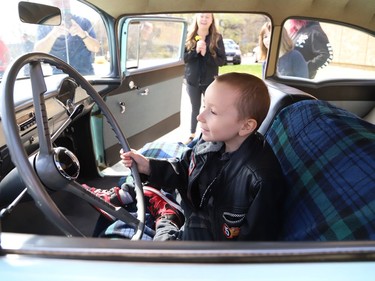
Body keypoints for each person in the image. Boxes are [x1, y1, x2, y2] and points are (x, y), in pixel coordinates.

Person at [119, 72, 286, 241]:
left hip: (215, 243)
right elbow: (185, 168)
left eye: (212, 111)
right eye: (204, 106)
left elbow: (256, 242)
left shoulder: (260, 179)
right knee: (141, 185)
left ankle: (166, 219)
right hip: (194, 212)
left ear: (246, 126)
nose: (200, 117)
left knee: (161, 250)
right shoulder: (212, 141)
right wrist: (148, 166)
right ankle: (163, 208)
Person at [183, 13, 226, 144]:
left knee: (211, 109)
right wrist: (195, 52)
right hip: (192, 81)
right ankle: (192, 134)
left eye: (207, 17)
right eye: (201, 16)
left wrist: (206, 53)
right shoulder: (188, 36)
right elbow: (183, 58)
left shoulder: (216, 38)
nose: (204, 19)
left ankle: (211, 135)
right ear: (196, 18)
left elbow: (221, 61)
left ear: (212, 20)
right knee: (195, 108)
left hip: (210, 82)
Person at [34, 6, 100, 75]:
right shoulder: (44, 25)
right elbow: (37, 53)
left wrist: (82, 33)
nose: (60, 2)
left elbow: (96, 48)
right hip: (59, 79)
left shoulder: (83, 21)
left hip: (86, 77)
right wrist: (54, 34)